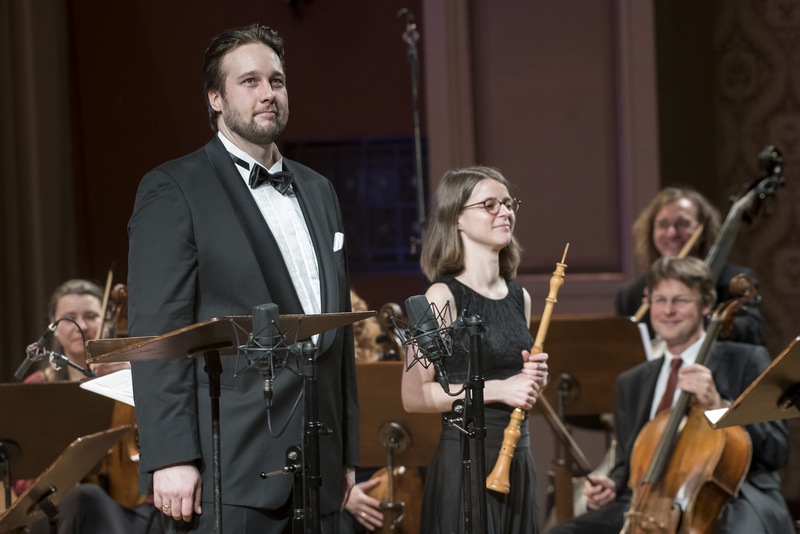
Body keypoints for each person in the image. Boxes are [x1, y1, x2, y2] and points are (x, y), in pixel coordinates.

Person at [127, 24, 357, 533]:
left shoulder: (319, 190)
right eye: (249, 81)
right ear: (216, 98)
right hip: (228, 466)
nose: (268, 93)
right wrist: (170, 457)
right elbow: (155, 334)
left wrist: (348, 453)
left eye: (276, 81)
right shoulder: (174, 189)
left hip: (319, 461)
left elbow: (337, 338)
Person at [551, 256, 794, 534]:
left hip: (731, 499)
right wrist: (613, 484)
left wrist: (719, 406)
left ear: (705, 305)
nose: (668, 310)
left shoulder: (746, 361)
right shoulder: (631, 382)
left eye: (680, 300)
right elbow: (626, 464)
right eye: (659, 300)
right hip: (647, 506)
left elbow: (777, 450)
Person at [401, 166, 548, 533]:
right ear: (458, 220)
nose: (505, 212)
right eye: (489, 204)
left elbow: (514, 382)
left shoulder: (520, 298)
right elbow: (414, 395)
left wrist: (531, 381)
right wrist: (501, 388)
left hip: (516, 457)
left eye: (508, 203)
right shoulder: (440, 296)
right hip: (466, 460)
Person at [15, 279, 156, 534]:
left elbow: (160, 433)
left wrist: (135, 381)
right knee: (85, 499)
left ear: (106, 321)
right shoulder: (38, 387)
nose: (82, 325)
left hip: (130, 503)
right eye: (69, 318)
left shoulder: (130, 377)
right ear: (55, 327)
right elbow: (21, 472)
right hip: (60, 507)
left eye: (91, 316)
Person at [615, 186, 765, 345]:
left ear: (702, 231)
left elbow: (753, 336)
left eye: (683, 224)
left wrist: (704, 316)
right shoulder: (630, 296)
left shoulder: (734, 282)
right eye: (663, 225)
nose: (671, 233)